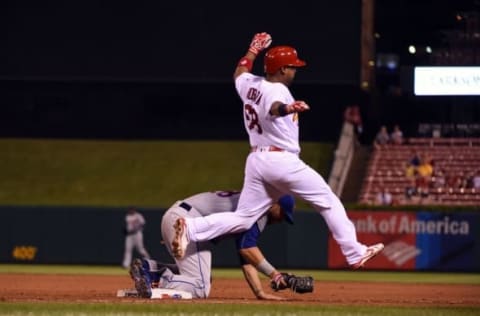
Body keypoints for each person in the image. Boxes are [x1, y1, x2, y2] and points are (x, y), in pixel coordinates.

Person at [171, 32, 383, 275]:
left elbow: (238, 73)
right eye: (292, 67)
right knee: (328, 200)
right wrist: (287, 108)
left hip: (257, 160)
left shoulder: (250, 84)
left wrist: (252, 50)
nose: (295, 71)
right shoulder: (278, 91)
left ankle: (191, 228)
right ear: (282, 70)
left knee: (244, 218)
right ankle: (354, 252)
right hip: (280, 159)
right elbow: (273, 109)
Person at [130, 190, 299, 300]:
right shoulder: (259, 210)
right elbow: (247, 249)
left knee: (199, 278)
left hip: (177, 215)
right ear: (274, 204)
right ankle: (156, 278)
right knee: (200, 286)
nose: (280, 219)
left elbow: (246, 256)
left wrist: (259, 292)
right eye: (282, 213)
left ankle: (149, 268)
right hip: (187, 222)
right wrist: (275, 275)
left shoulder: (253, 202)